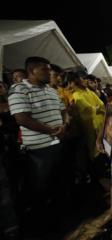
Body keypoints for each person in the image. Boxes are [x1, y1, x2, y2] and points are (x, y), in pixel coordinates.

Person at [8, 56, 68, 235]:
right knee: (40, 191)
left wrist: (64, 125)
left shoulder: (50, 90)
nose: (49, 73)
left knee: (58, 185)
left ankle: (59, 221)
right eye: (45, 69)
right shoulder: (19, 90)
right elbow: (22, 118)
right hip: (38, 151)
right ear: (32, 70)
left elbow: (63, 110)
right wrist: (51, 131)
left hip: (58, 145)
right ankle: (42, 228)